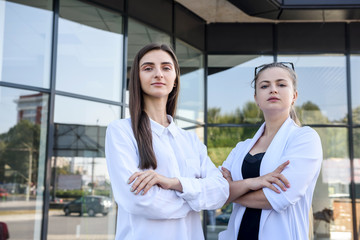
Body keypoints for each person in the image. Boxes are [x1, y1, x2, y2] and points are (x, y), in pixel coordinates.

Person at [105, 43, 229, 240]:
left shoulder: (190, 140)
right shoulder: (121, 131)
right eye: (148, 68)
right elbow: (139, 201)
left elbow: (221, 192)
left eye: (166, 67)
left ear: (175, 80)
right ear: (137, 78)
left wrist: (174, 184)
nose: (158, 74)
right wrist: (195, 199)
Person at [219, 62, 323, 240]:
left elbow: (279, 198)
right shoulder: (241, 148)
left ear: (294, 96)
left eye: (281, 84)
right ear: (256, 99)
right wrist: (254, 183)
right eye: (265, 86)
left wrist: (229, 194)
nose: (273, 90)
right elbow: (215, 187)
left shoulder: (305, 138)